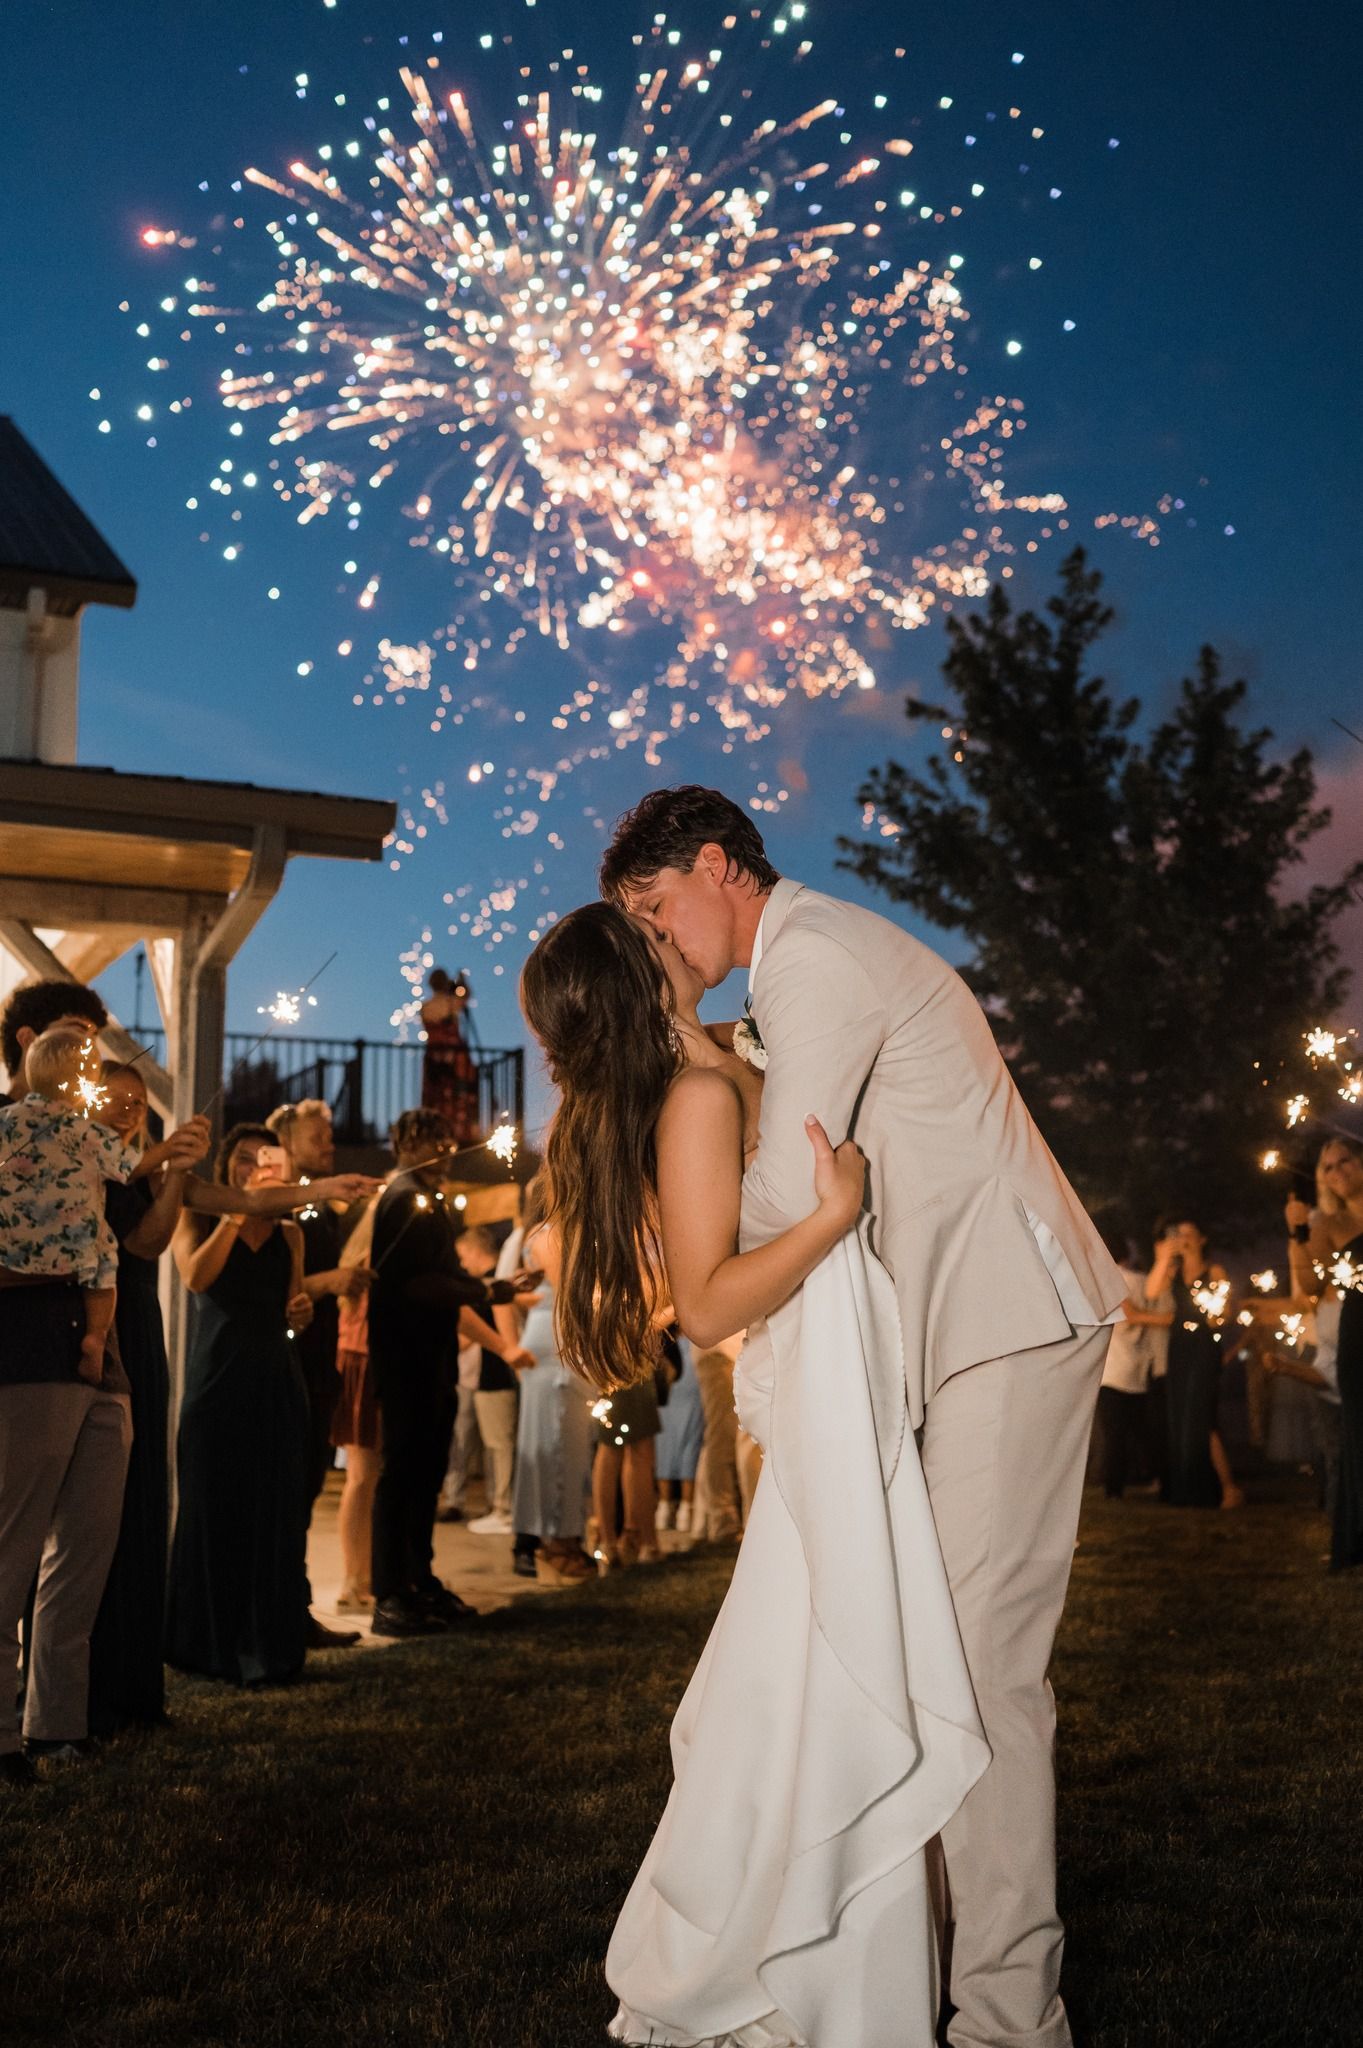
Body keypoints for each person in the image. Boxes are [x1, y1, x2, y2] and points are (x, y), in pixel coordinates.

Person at [595, 785, 1124, 2048]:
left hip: (1007, 1317)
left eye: (659, 909)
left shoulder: (814, 957)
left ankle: (1009, 2020)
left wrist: (699, 1159)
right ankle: (923, 1970)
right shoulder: (796, 973)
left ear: (719, 867)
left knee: (986, 1676)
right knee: (933, 1659)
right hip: (953, 1331)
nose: (661, 944)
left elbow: (786, 1186)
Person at [522, 899, 989, 2047]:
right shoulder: (691, 1096)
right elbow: (711, 1293)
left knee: (823, 1655)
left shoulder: (720, 1056)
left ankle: (836, 1939)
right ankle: (799, 1961)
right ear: (636, 974)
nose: (672, 930)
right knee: (830, 1655)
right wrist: (833, 1217)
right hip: (817, 1366)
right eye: (644, 932)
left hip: (845, 1361)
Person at [367, 1110, 530, 1635]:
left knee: (427, 1472)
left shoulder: (429, 1199)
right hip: (405, 1356)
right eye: (429, 1138)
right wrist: (484, 1292)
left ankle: (419, 1579)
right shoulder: (403, 1198)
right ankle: (390, 1593)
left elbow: (444, 1275)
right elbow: (415, 1283)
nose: (444, 1145)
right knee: (404, 1474)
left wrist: (488, 1287)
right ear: (405, 1143)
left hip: (431, 1356)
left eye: (446, 1136)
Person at [166, 1126, 315, 1686]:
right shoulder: (198, 1216)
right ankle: (205, 1647)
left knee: (271, 1517)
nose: (254, 1166)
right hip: (216, 1385)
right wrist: (238, 1211)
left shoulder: (291, 1234)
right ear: (228, 1165)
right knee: (212, 1513)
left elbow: (292, 1309)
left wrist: (301, 1312)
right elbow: (195, 1277)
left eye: (265, 1159)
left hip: (274, 1383)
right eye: (244, 1159)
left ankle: (268, 1647)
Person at [265, 1098, 373, 1648]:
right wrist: (332, 1282)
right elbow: (275, 1285)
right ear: (284, 1143)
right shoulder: (276, 1208)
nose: (329, 1148)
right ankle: (283, 1610)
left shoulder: (321, 1209)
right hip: (291, 1366)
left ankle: (293, 1606)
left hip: (321, 1364)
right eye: (318, 1141)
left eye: (329, 1139)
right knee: (288, 1490)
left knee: (306, 1488)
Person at [0, 1029, 139, 1384]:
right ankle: (95, 1337)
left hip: (13, 1243)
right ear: (87, 1079)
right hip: (72, 1248)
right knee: (105, 1258)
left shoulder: (7, 1119)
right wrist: (169, 1153)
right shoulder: (86, 1131)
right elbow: (130, 1166)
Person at [498, 1185, 597, 1586]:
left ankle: (556, 1538)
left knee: (553, 1443)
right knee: (559, 1445)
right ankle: (558, 1543)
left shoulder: (526, 1236)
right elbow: (572, 1291)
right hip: (559, 1342)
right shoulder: (552, 1233)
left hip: (547, 1340)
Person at [1290, 1137, 1363, 1571]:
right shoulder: (1328, 1223)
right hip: (1359, 1330)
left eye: (1345, 1162)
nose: (1338, 1173)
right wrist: (1298, 1229)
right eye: (1328, 1168)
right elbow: (1313, 1287)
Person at [1146, 1218, 1243, 1510]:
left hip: (1203, 1344)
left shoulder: (1213, 1271)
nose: (1184, 1239)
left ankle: (1227, 1488)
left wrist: (1219, 1315)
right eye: (1179, 1234)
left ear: (1202, 1239)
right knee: (1180, 1415)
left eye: (1189, 1233)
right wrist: (1163, 1258)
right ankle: (1186, 1488)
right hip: (1179, 1345)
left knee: (1201, 1413)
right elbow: (1151, 1292)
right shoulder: (1173, 1272)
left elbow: (1224, 1313)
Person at [1094, 1243, 1155, 1500]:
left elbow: (1126, 1314)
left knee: (1114, 1435)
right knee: (1141, 1431)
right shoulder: (1144, 1280)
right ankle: (1151, 1476)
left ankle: (1114, 1488)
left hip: (1112, 1370)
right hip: (1138, 1370)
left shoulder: (1106, 1279)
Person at [420, 968, 479, 1146]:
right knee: (458, 1095)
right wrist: (461, 982)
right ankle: (460, 1133)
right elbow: (466, 996)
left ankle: (434, 1134)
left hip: (433, 1056)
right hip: (454, 1058)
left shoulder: (426, 1007)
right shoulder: (450, 1003)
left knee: (436, 1097)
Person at [654, 1330, 702, 1535]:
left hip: (675, 1375)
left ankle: (666, 1508)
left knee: (667, 1443)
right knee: (689, 1442)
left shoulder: (662, 1330)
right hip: (685, 1369)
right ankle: (684, 1508)